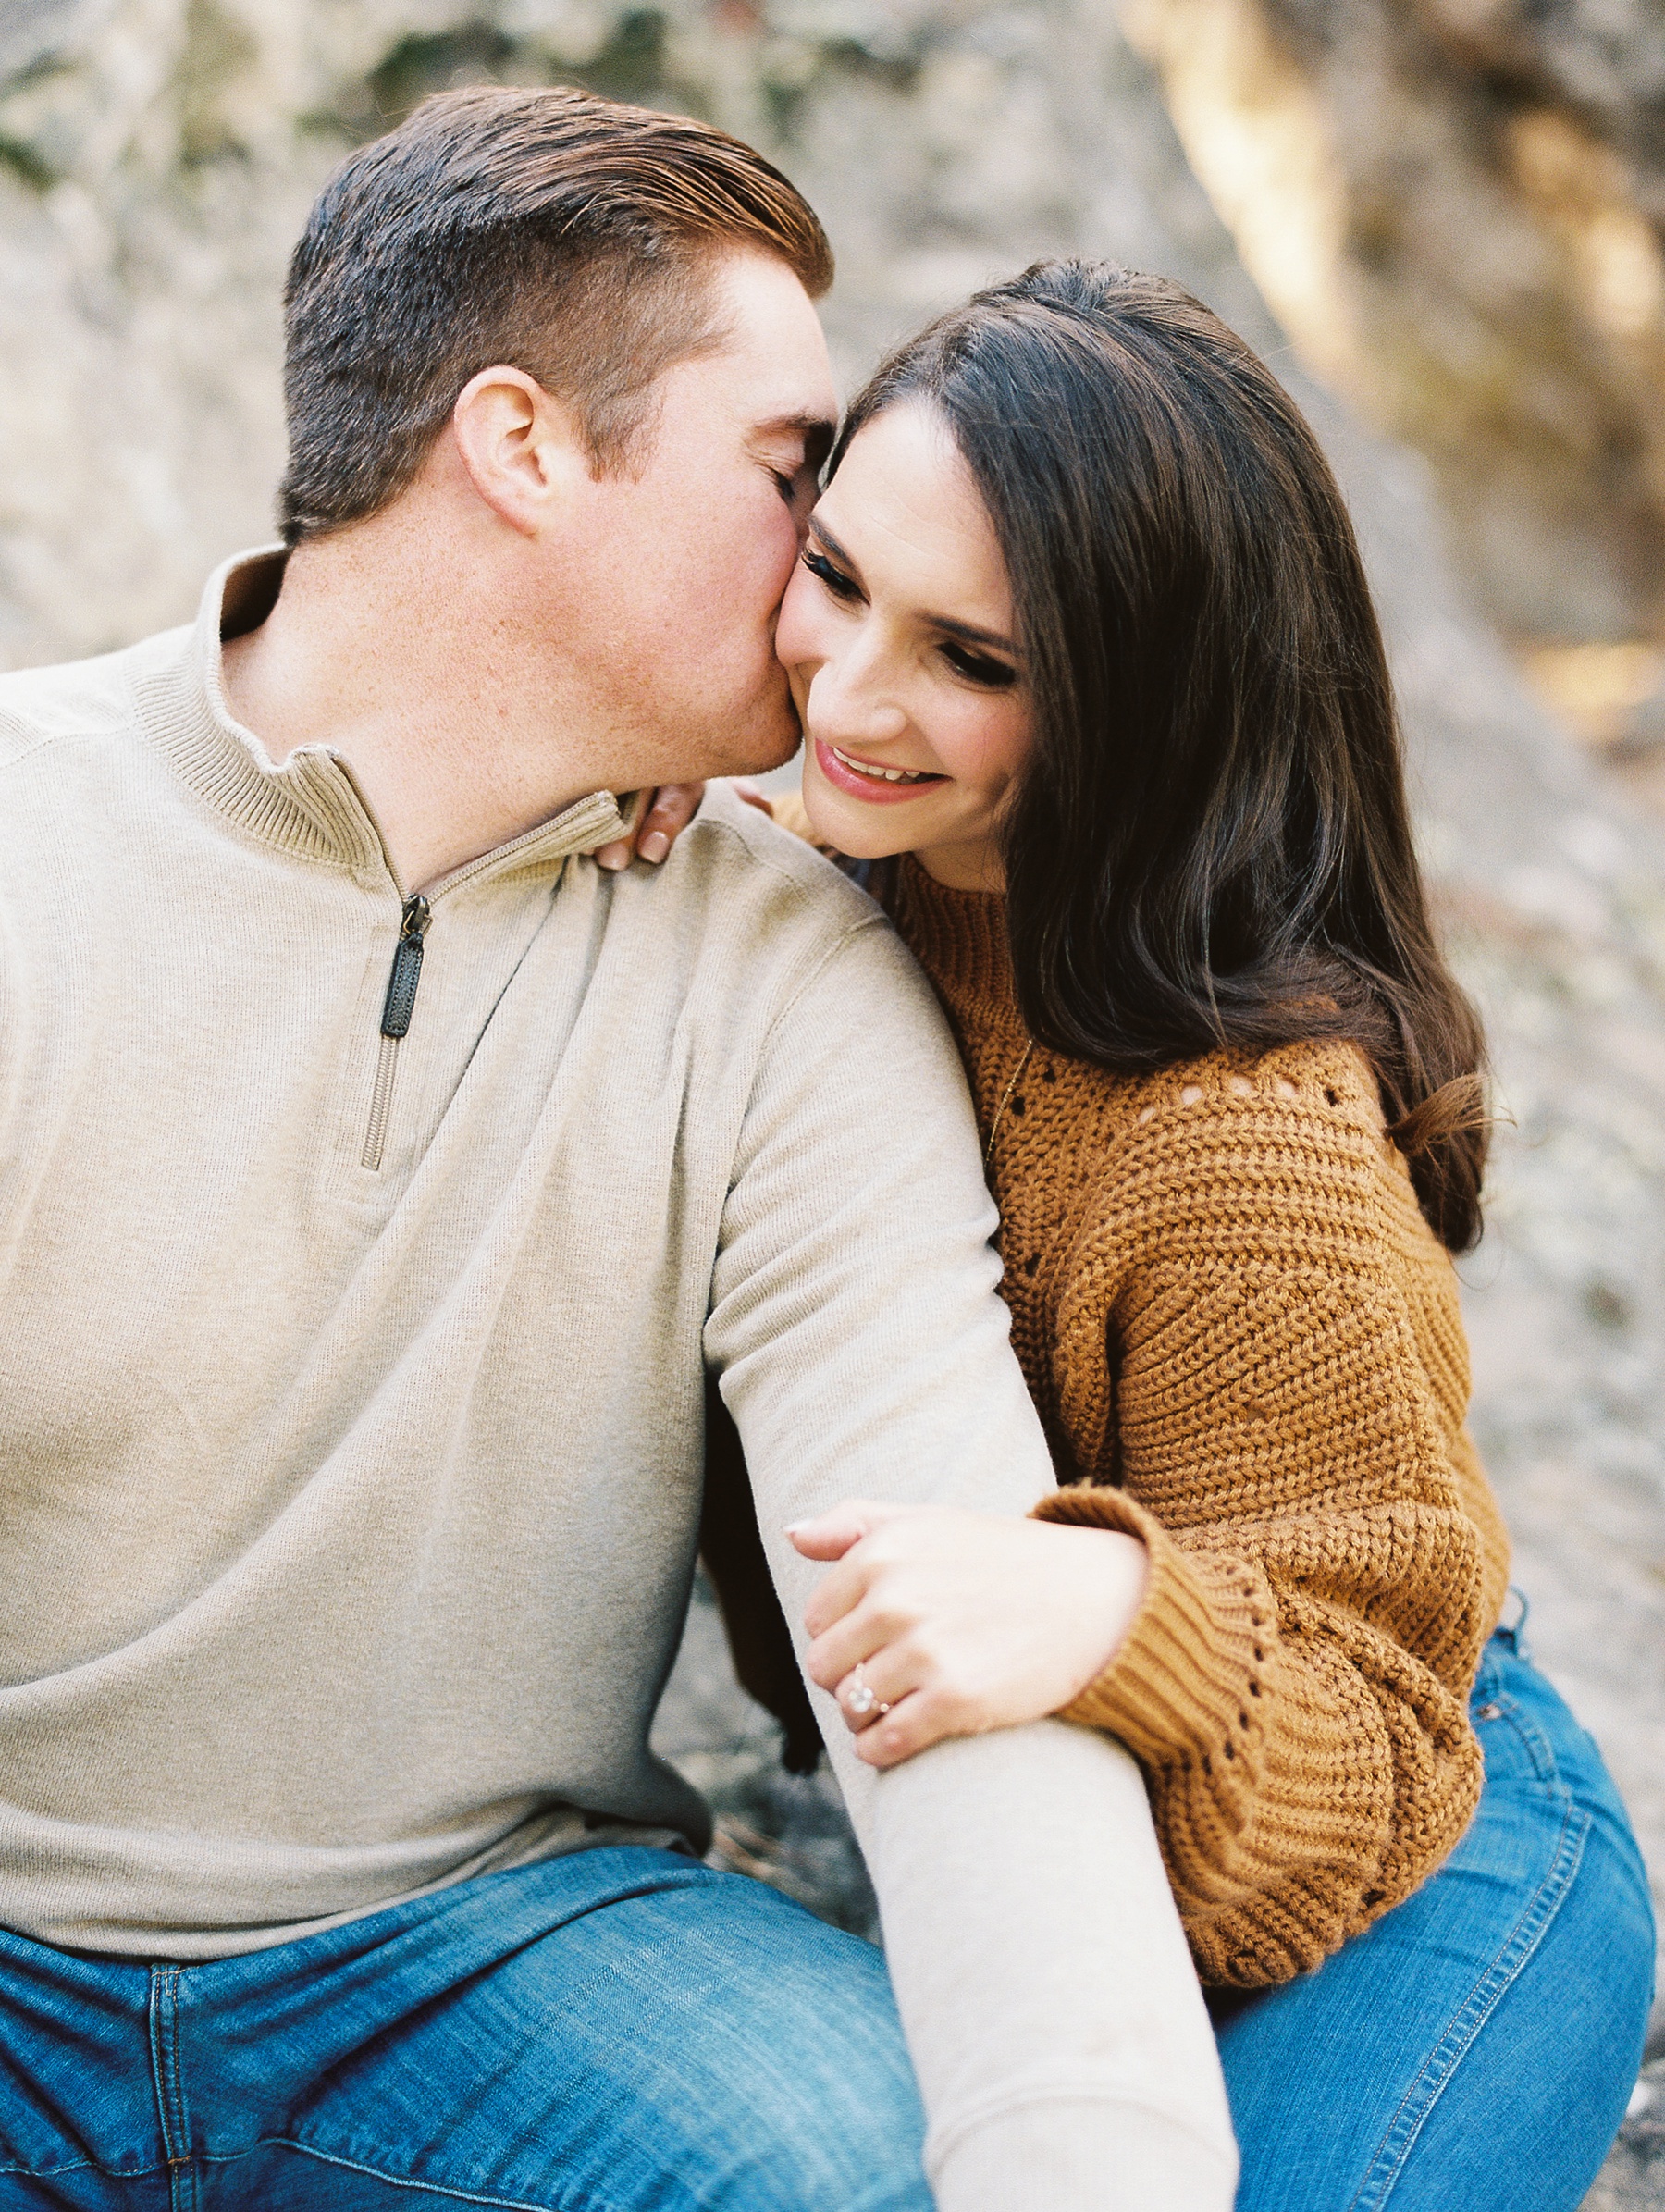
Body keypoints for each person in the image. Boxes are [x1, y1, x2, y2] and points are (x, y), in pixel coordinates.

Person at [0, 95, 1240, 2212]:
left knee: (873, 2174)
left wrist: (1089, 2156)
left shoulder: (785, 978)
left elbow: (924, 1593)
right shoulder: (33, 842)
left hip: (487, 1949)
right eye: (789, 473)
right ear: (525, 447)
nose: (837, 556)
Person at [673, 259, 1658, 2210]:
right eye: (840, 575)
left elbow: (1385, 1724)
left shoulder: (1233, 1138)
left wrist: (1125, 1618)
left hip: (1413, 1834)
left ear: (1132, 692)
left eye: (977, 657)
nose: (853, 693)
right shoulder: (799, 882)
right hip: (1075, 1831)